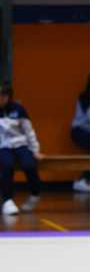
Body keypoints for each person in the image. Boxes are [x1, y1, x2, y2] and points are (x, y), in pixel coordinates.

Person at [0, 83, 43, 216]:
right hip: (4, 146)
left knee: (29, 164)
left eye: (3, 96)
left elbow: (29, 131)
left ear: (8, 96)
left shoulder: (18, 109)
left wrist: (35, 150)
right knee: (6, 165)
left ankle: (35, 194)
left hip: (21, 144)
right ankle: (7, 200)